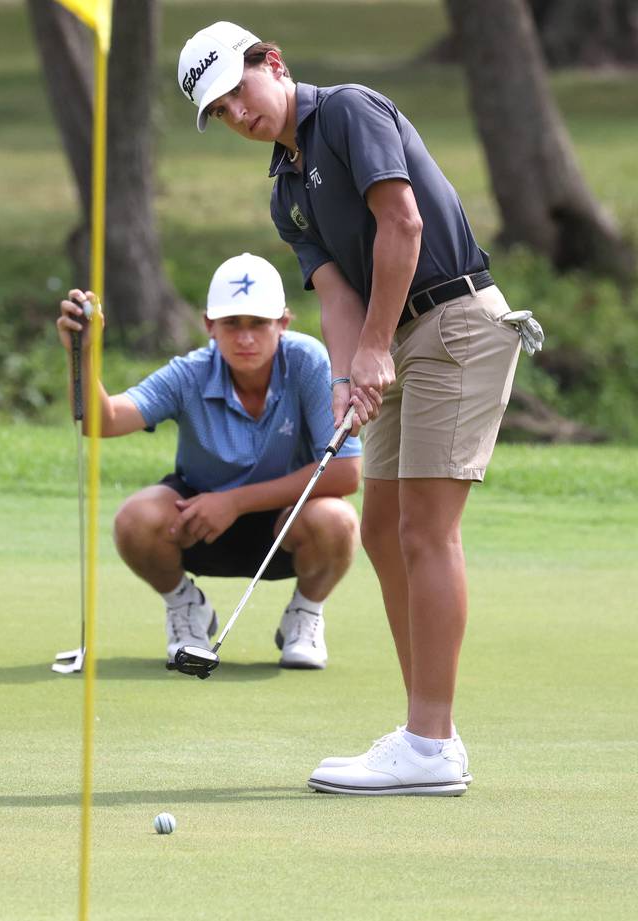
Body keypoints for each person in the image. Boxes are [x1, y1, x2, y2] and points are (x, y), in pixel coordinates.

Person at [178, 21, 541, 795]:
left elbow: (401, 223)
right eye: (222, 112)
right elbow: (338, 292)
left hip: (454, 324)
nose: (240, 116)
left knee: (424, 527)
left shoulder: (347, 111)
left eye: (240, 91)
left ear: (271, 62)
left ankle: (430, 743)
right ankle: (426, 731)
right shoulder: (284, 192)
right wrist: (347, 378)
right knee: (380, 527)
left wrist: (376, 348)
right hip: (395, 337)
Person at [56, 252, 361, 671]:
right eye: (232, 324)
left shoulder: (308, 361)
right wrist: (84, 355)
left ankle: (304, 614)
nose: (246, 338)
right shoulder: (191, 372)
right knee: (135, 519)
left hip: (287, 524)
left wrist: (234, 501)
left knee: (338, 520)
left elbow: (345, 471)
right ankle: (186, 607)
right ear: (209, 326)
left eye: (259, 324)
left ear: (284, 324)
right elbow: (100, 421)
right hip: (200, 523)